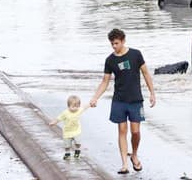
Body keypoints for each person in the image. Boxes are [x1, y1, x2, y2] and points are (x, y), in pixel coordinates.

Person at [90, 29, 156, 175]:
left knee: (136, 131)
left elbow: (145, 73)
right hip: (119, 100)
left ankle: (134, 154)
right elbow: (105, 81)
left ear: (123, 41)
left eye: (116, 43)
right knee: (122, 130)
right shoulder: (110, 60)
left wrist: (152, 93)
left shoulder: (136, 54)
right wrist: (95, 97)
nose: (114, 46)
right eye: (112, 44)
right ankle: (124, 164)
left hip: (135, 100)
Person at [49, 95, 90, 160]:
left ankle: (77, 151)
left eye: (77, 106)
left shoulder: (78, 110)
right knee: (67, 145)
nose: (75, 108)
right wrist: (54, 122)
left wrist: (91, 102)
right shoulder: (65, 113)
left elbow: (85, 107)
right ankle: (67, 153)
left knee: (78, 142)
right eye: (73, 106)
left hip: (76, 131)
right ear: (68, 106)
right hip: (67, 132)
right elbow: (59, 118)